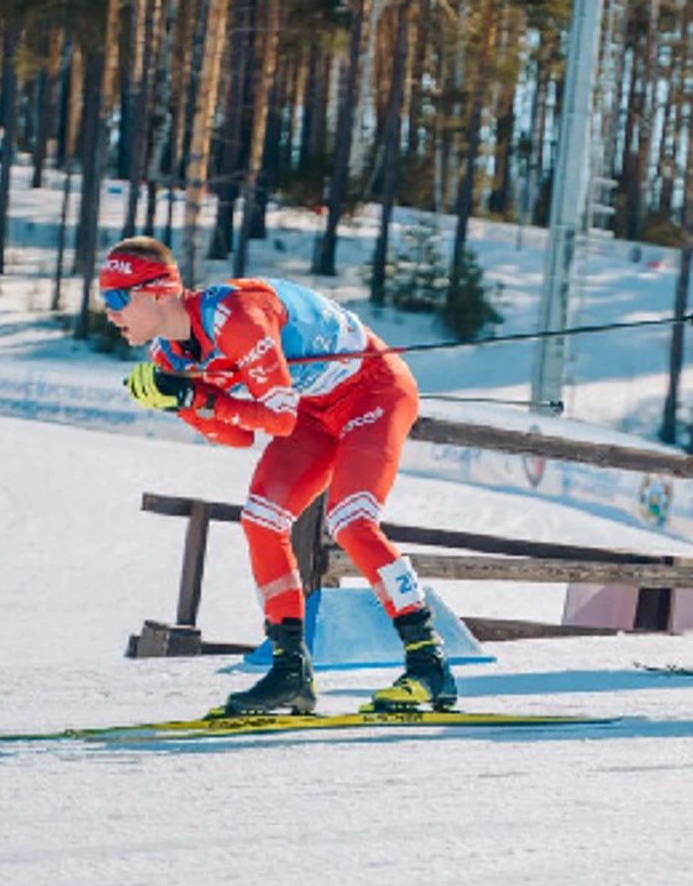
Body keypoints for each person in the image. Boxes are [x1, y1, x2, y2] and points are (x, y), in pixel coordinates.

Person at [100, 236, 456, 716]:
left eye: (117, 299)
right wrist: (181, 405)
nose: (109, 312)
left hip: (371, 391)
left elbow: (278, 421)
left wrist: (197, 400)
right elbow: (238, 437)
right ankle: (290, 672)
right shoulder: (169, 357)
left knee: (351, 520)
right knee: (261, 519)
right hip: (311, 411)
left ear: (159, 292)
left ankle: (428, 663)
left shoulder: (236, 316)